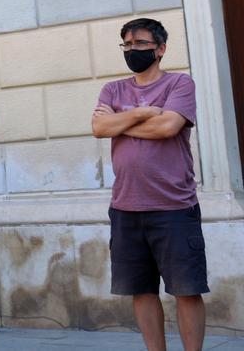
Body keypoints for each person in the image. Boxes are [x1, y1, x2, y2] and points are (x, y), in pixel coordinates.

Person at [92, 18, 206, 351]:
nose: (132, 50)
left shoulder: (179, 84)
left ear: (160, 49)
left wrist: (119, 122)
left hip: (174, 207)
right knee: (141, 290)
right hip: (126, 207)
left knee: (186, 289)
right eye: (127, 45)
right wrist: (144, 114)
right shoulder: (113, 89)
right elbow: (99, 128)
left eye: (140, 44)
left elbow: (167, 128)